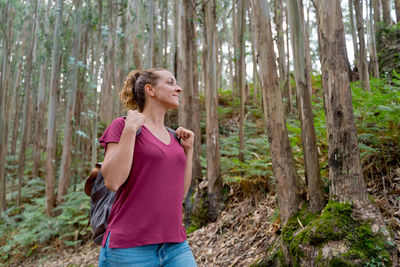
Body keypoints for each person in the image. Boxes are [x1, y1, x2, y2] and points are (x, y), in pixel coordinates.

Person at [98, 68, 197, 267]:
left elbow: (181, 194)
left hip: (175, 245)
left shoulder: (174, 137)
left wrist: (189, 150)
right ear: (150, 90)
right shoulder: (123, 126)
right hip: (129, 248)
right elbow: (112, 181)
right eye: (170, 83)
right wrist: (130, 131)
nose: (178, 88)